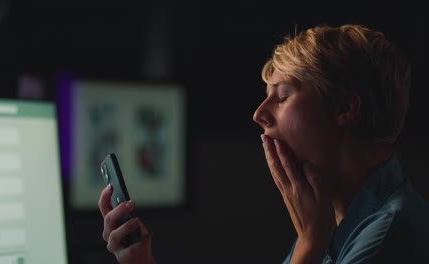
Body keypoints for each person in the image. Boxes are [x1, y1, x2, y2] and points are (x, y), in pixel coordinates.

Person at [98, 24, 429, 264]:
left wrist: (309, 246)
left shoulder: (385, 238)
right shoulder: (337, 219)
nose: (259, 114)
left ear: (344, 108)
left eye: (282, 96)